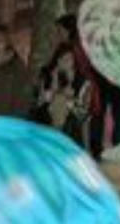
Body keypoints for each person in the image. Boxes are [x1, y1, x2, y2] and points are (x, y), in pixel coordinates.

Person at [34, 15, 97, 147]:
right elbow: (49, 77)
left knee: (53, 107)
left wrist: (58, 95)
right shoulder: (64, 50)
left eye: (60, 30)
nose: (58, 33)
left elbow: (78, 95)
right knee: (45, 107)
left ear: (69, 30)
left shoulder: (75, 52)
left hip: (75, 105)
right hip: (61, 100)